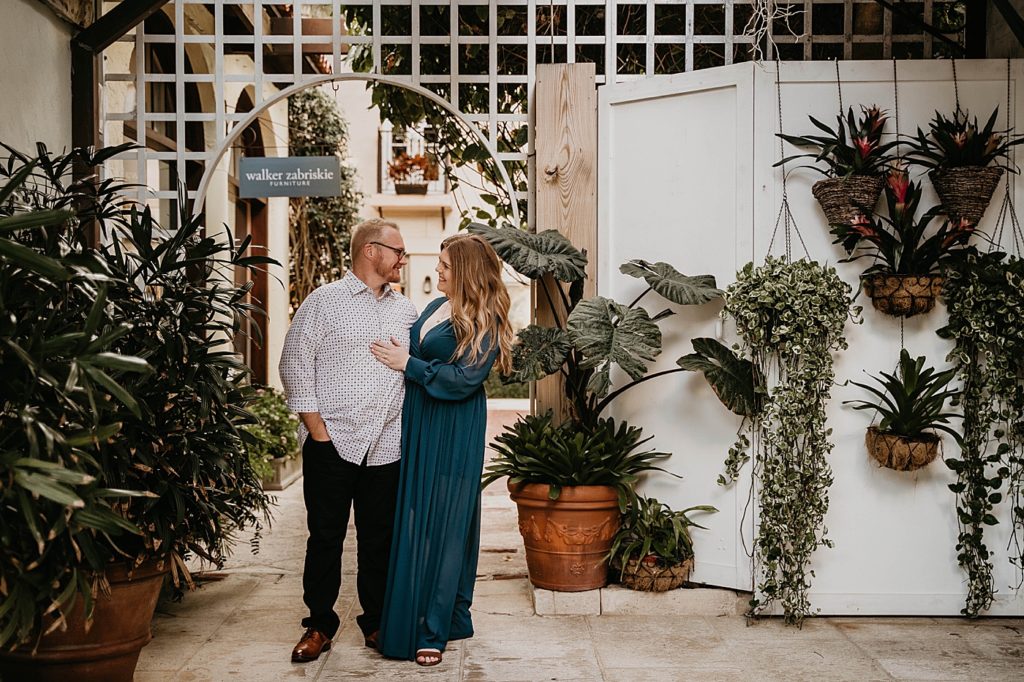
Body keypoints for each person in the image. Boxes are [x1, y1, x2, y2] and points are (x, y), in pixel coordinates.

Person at [369, 233, 514, 666]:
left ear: (466, 272)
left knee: (447, 523)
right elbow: (421, 352)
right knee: (416, 517)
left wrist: (407, 364)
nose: (438, 271)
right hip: (420, 420)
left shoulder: (486, 319)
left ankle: (433, 627)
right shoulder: (434, 307)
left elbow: (464, 380)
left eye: (446, 266)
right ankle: (433, 614)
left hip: (453, 426)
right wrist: (403, 355)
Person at [279, 218, 418, 663]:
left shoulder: (407, 310)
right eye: (397, 250)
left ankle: (375, 623)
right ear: (371, 251)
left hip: (387, 446)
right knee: (325, 537)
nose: (403, 258)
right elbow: (294, 364)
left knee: (380, 539)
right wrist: (318, 434)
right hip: (331, 443)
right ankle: (319, 625)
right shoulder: (324, 302)